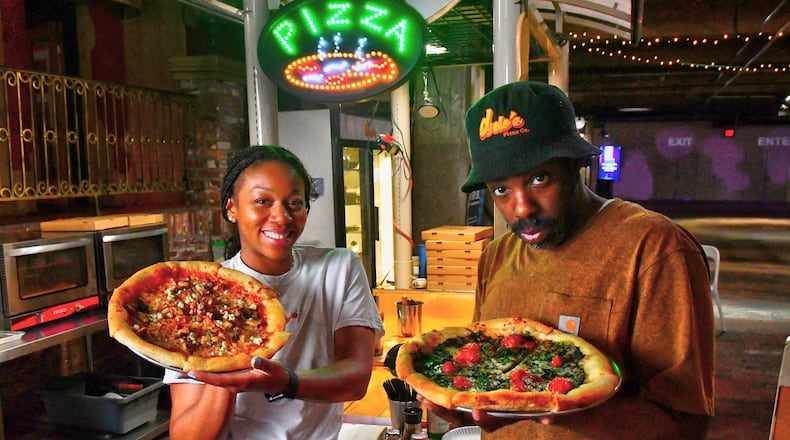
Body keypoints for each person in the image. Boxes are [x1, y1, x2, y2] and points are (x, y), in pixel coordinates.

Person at [419, 81, 715, 439]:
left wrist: (562, 412)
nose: (522, 207)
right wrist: (468, 412)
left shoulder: (654, 248)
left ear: (575, 166)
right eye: (501, 189)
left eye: (540, 179)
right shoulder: (496, 255)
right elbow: (484, 371)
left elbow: (683, 420)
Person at [164, 145, 385, 440]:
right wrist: (228, 367)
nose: (281, 217)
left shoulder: (339, 267)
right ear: (232, 209)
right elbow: (187, 436)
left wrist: (286, 383)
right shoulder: (200, 293)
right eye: (262, 201)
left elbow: (356, 379)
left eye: (294, 203)